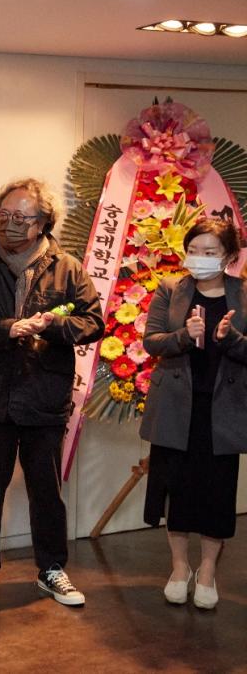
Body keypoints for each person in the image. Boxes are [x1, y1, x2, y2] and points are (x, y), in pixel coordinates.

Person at [0, 178, 103, 606]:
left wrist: (53, 327)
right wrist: (6, 328)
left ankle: (52, 569)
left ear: (43, 222)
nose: (8, 223)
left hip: (44, 396)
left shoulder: (68, 268)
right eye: (3, 214)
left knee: (46, 491)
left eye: (20, 216)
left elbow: (94, 322)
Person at [140, 218, 247, 610]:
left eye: (209, 252)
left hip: (223, 412)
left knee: (217, 495)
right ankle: (179, 568)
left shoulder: (243, 294)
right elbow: (152, 342)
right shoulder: (171, 289)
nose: (199, 258)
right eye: (193, 250)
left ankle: (207, 571)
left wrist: (231, 340)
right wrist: (186, 336)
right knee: (178, 492)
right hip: (175, 408)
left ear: (229, 256)